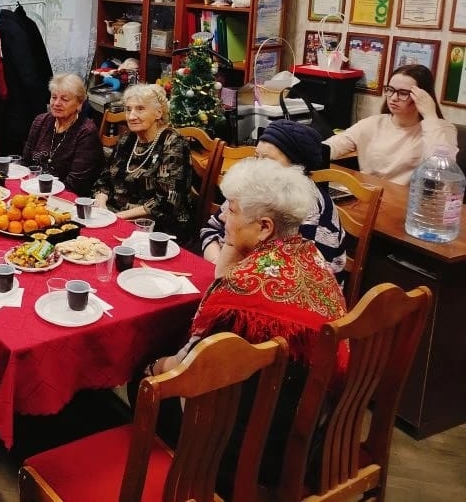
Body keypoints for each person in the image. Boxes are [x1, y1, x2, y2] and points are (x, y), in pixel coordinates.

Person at [148, 158, 347, 490]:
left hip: (249, 450)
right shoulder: (312, 259)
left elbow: (189, 364)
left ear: (265, 227)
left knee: (144, 380)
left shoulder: (242, 292)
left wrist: (152, 367)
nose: (223, 216)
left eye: (232, 209)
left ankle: (190, 479)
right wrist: (232, 248)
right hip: (309, 433)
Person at [200, 119, 346, 278]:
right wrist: (216, 262)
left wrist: (225, 265)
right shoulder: (253, 188)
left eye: (266, 160)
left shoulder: (308, 210)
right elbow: (211, 229)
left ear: (296, 168)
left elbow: (300, 275)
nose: (257, 166)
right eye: (256, 157)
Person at [323, 64, 458, 185]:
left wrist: (430, 115)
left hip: (407, 200)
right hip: (369, 192)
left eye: (403, 93)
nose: (393, 98)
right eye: (390, 90)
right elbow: (333, 146)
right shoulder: (374, 123)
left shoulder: (440, 129)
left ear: (422, 97)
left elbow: (441, 169)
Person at [92, 83, 191, 242]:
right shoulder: (128, 139)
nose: (131, 116)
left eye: (140, 109)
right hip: (114, 216)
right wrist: (101, 205)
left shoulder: (173, 143)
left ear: (158, 113)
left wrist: (117, 218)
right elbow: (104, 179)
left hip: (153, 228)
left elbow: (166, 202)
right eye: (128, 109)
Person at [21, 73, 104, 196]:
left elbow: (76, 184)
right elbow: (25, 163)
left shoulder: (86, 132)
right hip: (33, 191)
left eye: (64, 99)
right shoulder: (40, 121)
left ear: (79, 103)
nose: (57, 103)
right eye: (54, 97)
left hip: (65, 198)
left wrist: (43, 196)